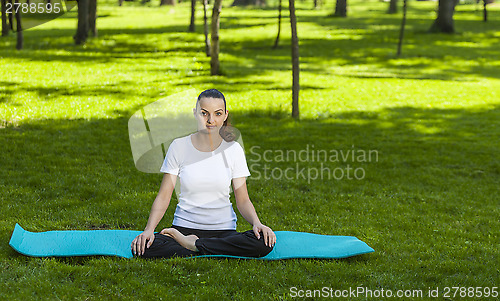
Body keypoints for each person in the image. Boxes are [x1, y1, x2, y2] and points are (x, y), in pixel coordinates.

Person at [131, 89, 276, 258]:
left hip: (224, 231)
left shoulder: (233, 150)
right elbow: (164, 196)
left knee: (262, 243)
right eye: (204, 113)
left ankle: (192, 245)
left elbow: (242, 199)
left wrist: (257, 223)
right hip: (183, 228)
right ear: (195, 113)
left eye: (217, 114)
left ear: (225, 115)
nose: (210, 120)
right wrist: (149, 230)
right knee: (144, 247)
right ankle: (205, 247)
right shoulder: (179, 146)